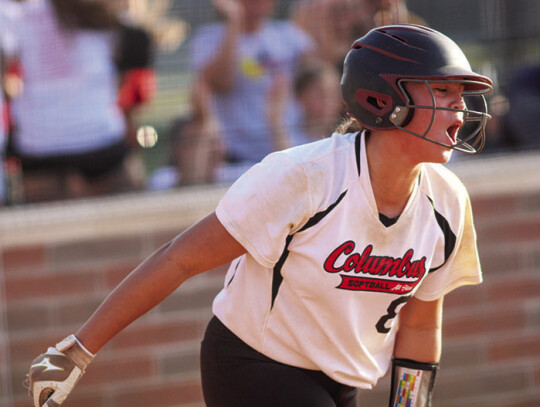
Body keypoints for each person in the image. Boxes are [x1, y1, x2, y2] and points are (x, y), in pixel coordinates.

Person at [26, 24, 493, 407]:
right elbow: (178, 259)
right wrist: (77, 351)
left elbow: (419, 323)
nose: (461, 107)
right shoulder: (305, 178)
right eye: (444, 90)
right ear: (380, 100)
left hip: (338, 381)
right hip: (253, 365)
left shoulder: (447, 203)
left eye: (462, 93)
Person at [6, 0, 146, 203]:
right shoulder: (105, 16)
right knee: (130, 224)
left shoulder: (18, 13)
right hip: (98, 139)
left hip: (41, 145)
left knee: (44, 228)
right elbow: (138, 46)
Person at [190, 0, 314, 183]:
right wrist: (233, 22)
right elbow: (221, 83)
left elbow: (321, 76)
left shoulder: (289, 35)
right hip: (237, 161)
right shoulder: (208, 38)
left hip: (287, 148)